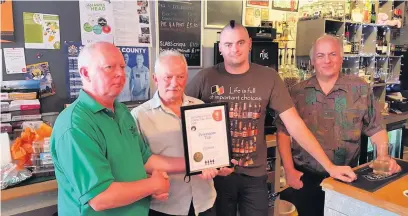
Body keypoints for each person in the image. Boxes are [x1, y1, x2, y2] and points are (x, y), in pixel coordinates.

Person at [185, 20, 356, 216]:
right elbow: (182, 119)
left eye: (240, 43)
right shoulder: (205, 78)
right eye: (228, 44)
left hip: (255, 176)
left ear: (250, 44)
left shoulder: (269, 77)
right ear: (221, 47)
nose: (234, 49)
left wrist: (330, 166)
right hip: (217, 177)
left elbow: (295, 125)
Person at [51, 42, 187, 216]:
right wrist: (153, 184)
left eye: (122, 67)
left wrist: (197, 164)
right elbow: (101, 198)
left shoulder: (122, 111)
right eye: (109, 67)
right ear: (85, 73)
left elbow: (144, 160)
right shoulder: (75, 125)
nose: (120, 74)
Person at [275, 35, 402, 216]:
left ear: (342, 58)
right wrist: (289, 170)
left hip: (348, 175)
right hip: (307, 177)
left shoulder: (359, 89)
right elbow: (283, 133)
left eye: (333, 54)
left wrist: (383, 156)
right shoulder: (296, 92)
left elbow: (376, 127)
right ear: (312, 61)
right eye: (320, 55)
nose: (327, 60)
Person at [131, 50, 233, 216]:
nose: (174, 83)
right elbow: (136, 164)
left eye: (180, 77)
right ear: (155, 79)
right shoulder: (139, 116)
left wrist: (221, 164)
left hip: (204, 202)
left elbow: (212, 149)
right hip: (166, 206)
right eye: (168, 77)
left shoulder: (201, 107)